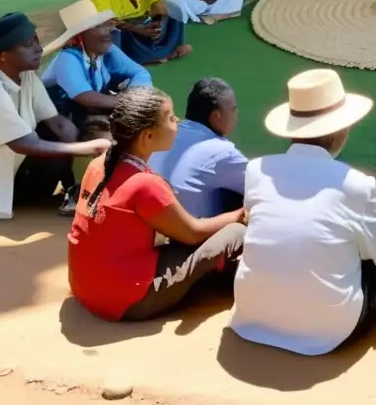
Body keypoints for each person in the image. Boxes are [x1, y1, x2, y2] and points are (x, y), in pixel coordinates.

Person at [230, 69, 376, 355]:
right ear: (339, 131)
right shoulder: (356, 183)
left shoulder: (256, 170)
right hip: (329, 330)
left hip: (252, 313)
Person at [68, 87, 246, 321]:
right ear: (148, 136)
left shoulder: (99, 164)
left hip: (86, 287)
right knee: (235, 232)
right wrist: (239, 215)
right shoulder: (145, 184)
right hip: (127, 301)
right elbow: (192, 233)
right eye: (171, 118)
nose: (177, 121)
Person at [0, 13, 109, 220]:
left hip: (14, 160)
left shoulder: (27, 76)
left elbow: (57, 123)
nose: (38, 48)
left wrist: (80, 162)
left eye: (36, 40)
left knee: (58, 131)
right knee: (15, 144)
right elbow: (22, 144)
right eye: (28, 44)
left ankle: (71, 190)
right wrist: (92, 147)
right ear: (1, 56)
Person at [41, 0, 152, 128]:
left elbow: (140, 73)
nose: (108, 31)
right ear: (80, 36)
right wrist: (130, 103)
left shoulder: (108, 50)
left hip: (89, 109)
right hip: (60, 117)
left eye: (106, 25)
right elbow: (86, 98)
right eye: (98, 26)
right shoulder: (67, 59)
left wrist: (136, 97)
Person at [148, 78, 247, 218]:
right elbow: (262, 186)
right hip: (190, 233)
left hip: (154, 222)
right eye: (233, 110)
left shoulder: (165, 134)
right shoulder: (222, 152)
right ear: (216, 115)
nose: (236, 115)